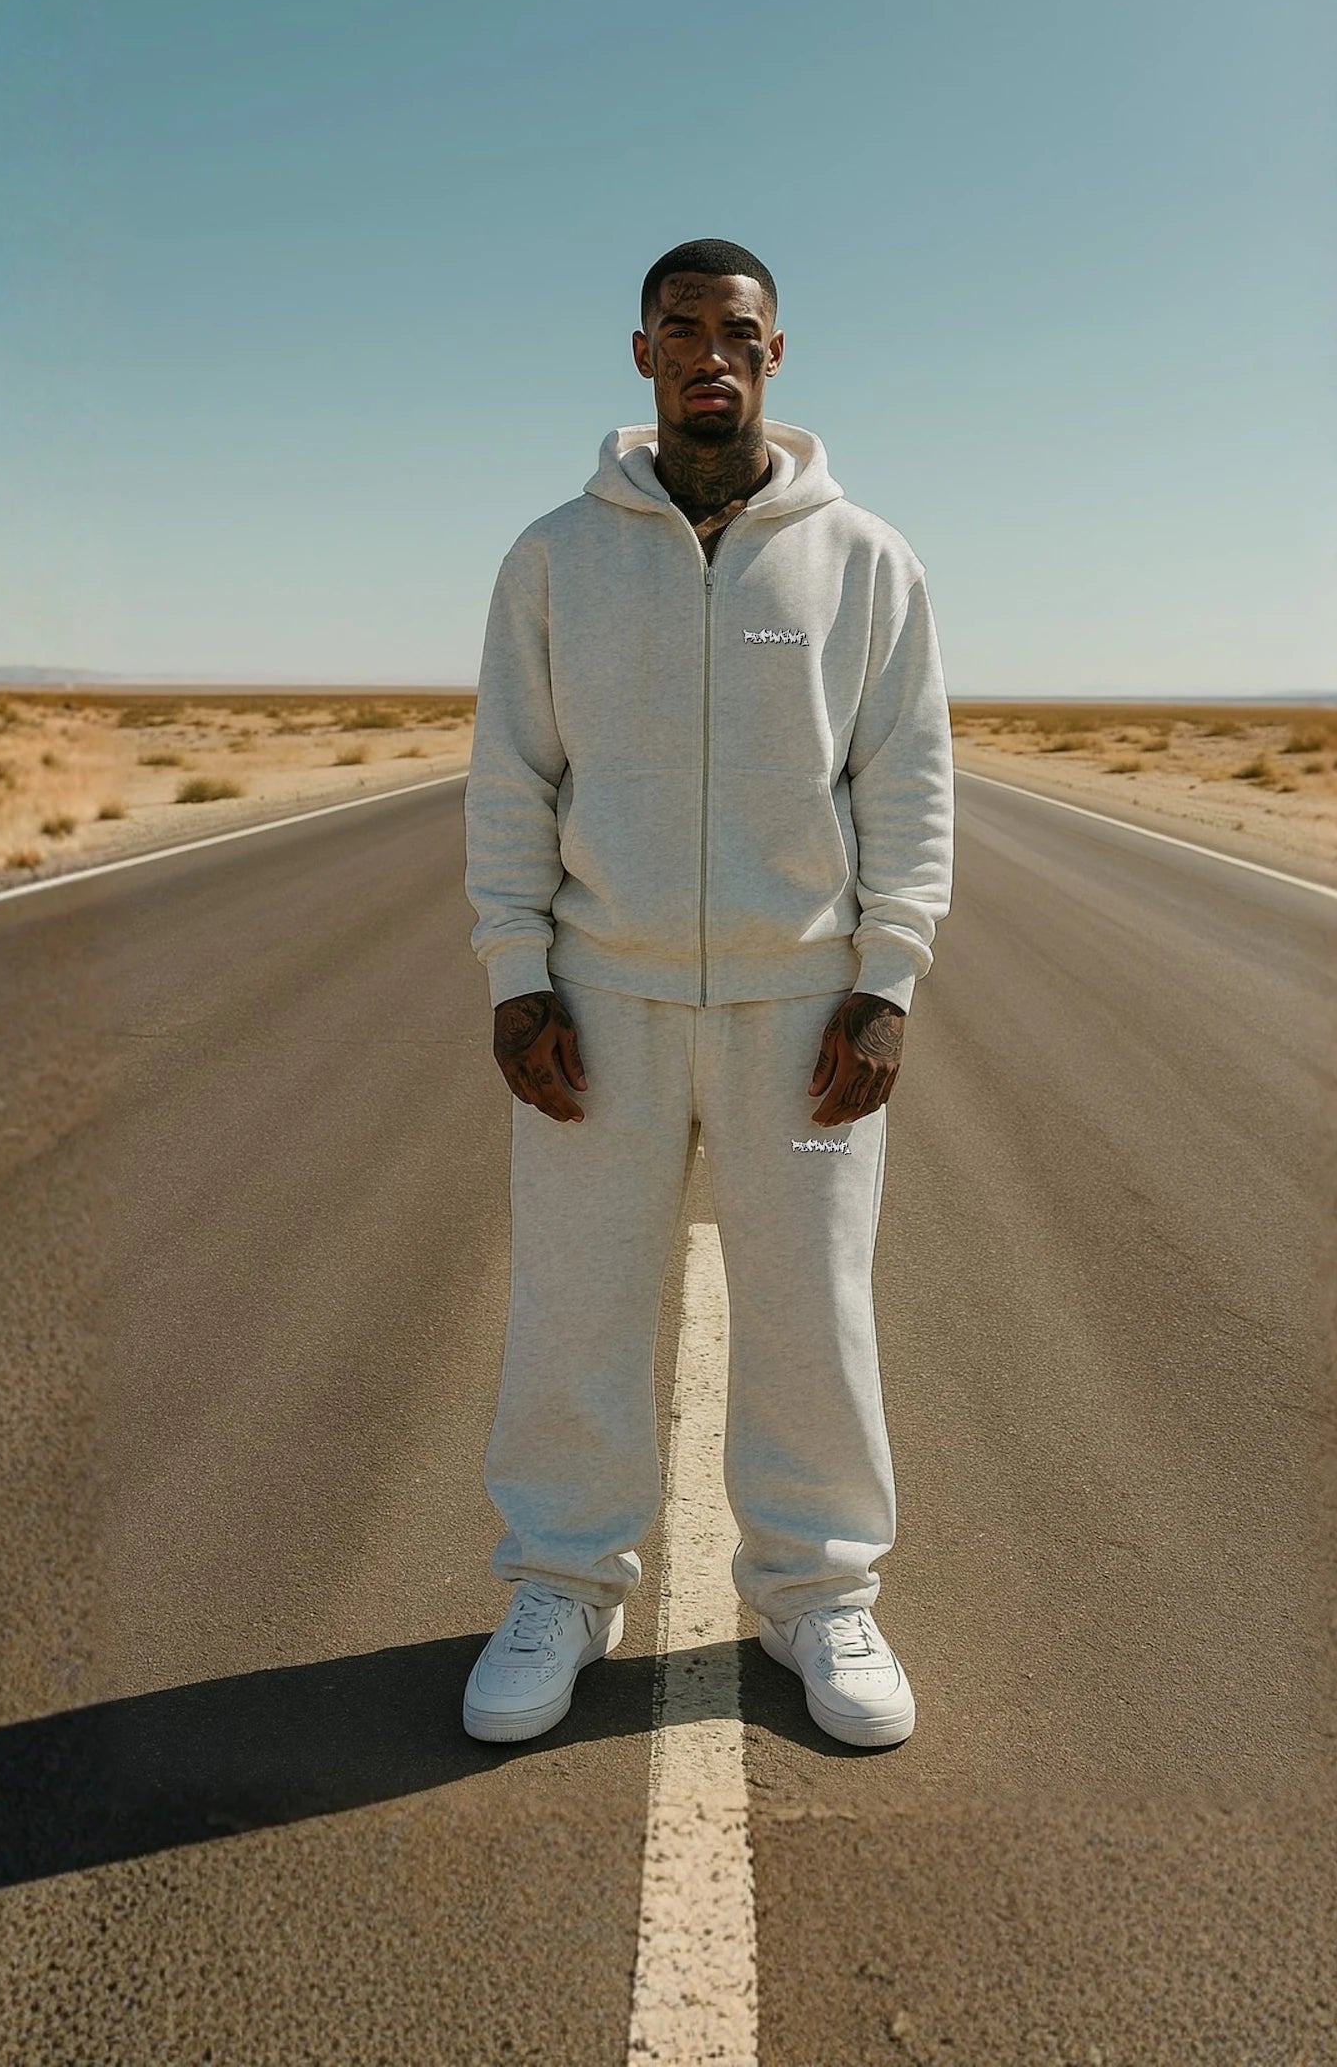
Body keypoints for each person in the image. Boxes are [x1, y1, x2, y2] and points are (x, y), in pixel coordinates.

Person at [460, 237, 953, 1749]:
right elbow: (512, 779)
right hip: (601, 999)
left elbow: (908, 783)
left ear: (777, 353)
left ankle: (819, 1596)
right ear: (641, 354)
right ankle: (559, 1585)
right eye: (680, 329)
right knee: (573, 1305)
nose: (707, 353)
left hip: (798, 1010)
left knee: (813, 1313)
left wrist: (885, 984)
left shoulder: (864, 558)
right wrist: (516, 974)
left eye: (734, 329)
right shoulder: (555, 556)